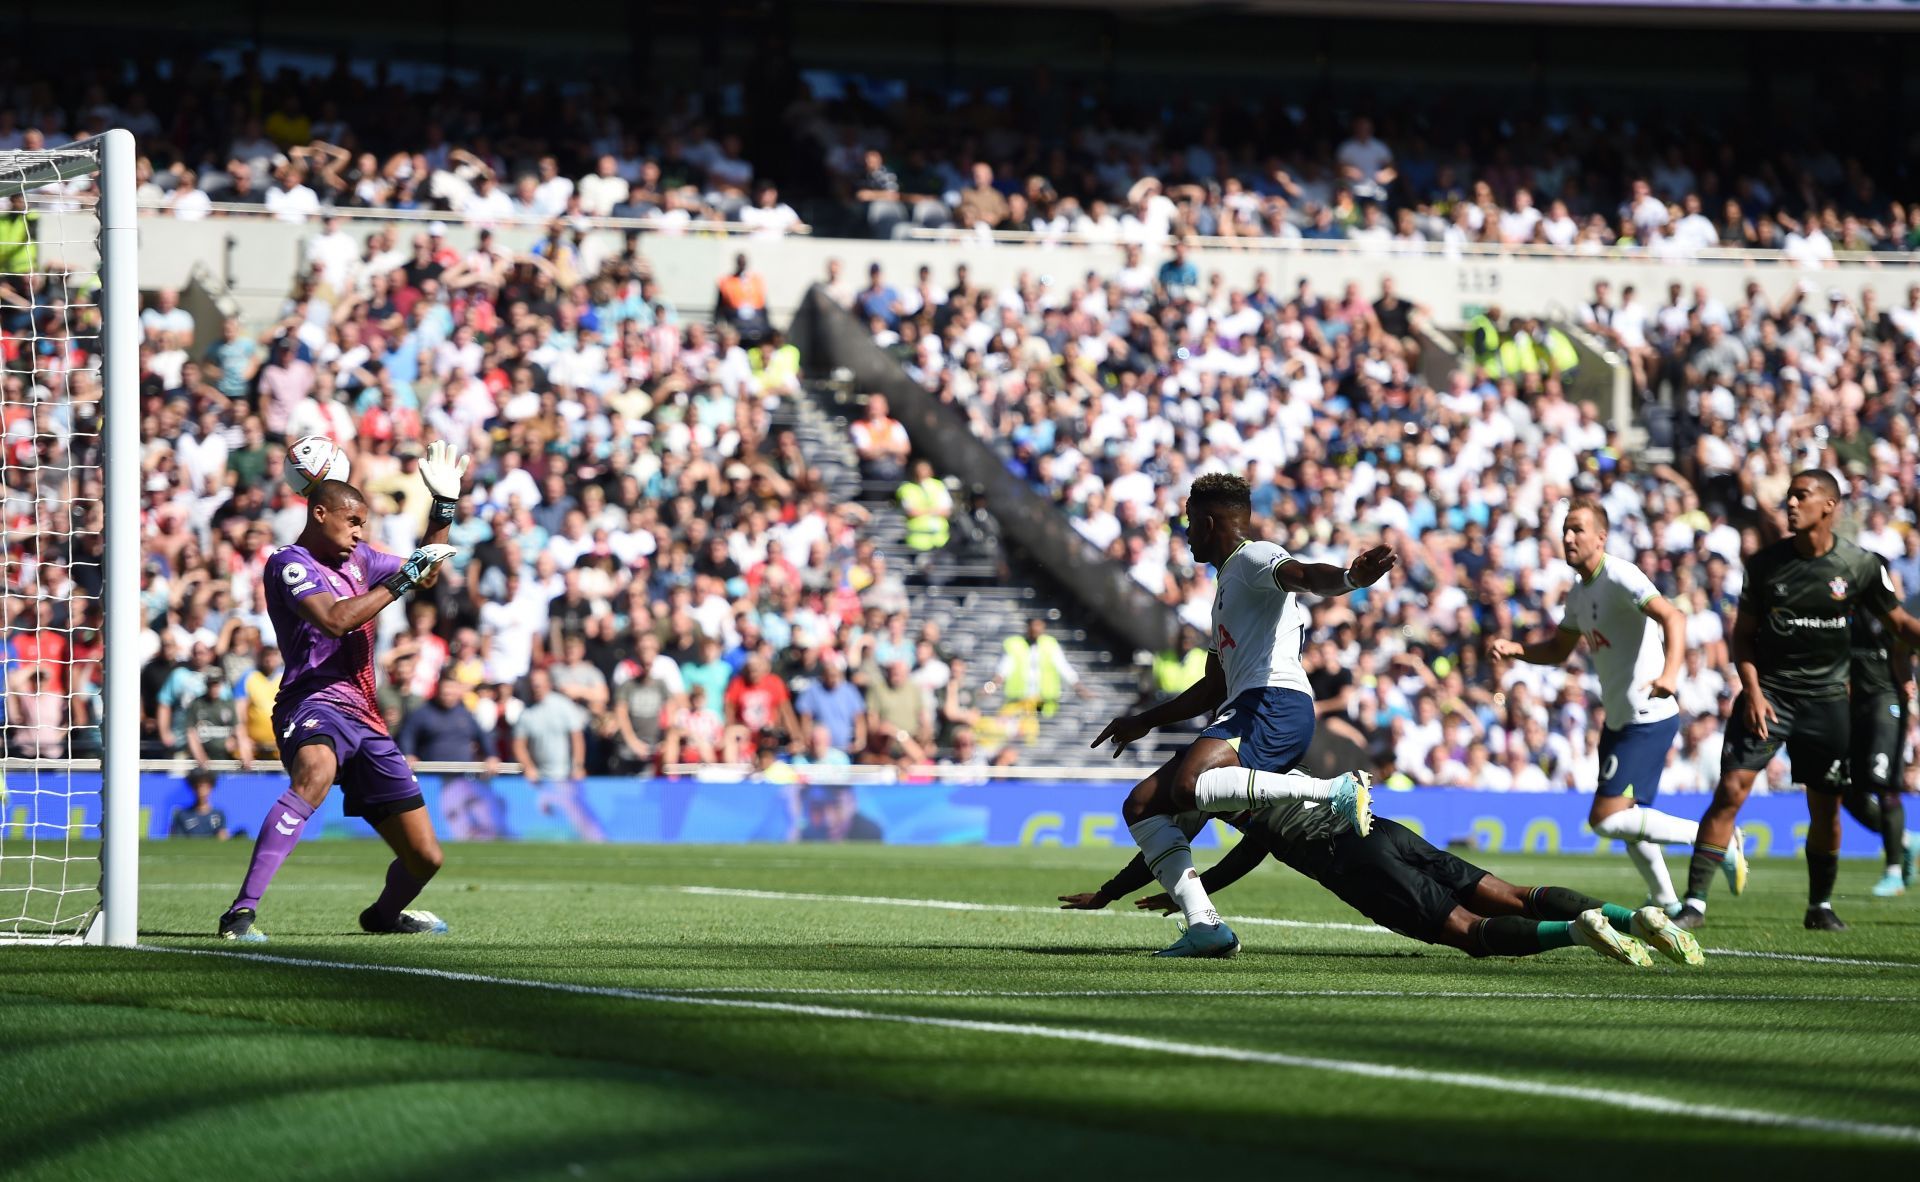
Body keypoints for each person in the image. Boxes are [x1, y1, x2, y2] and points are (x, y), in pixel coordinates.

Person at [1089, 471, 1392, 957]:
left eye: (1190, 522)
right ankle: (1204, 925)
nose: (1186, 533)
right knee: (1144, 804)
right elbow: (1213, 686)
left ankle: (1335, 789)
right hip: (1244, 707)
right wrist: (1146, 719)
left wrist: (1352, 578)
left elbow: (1306, 576)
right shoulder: (1226, 588)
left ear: (1209, 523)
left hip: (1272, 702)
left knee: (1189, 787)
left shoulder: (1253, 557)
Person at [216, 441, 468, 942]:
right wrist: (400, 582)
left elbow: (428, 569)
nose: (359, 533)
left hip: (367, 716)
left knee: (426, 857)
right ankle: (240, 914)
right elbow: (334, 620)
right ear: (319, 512)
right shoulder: (288, 563)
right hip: (311, 701)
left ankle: (381, 918)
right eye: (352, 522)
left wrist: (442, 509)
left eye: (364, 525)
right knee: (316, 773)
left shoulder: (365, 559)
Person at [1677, 470, 1920, 932]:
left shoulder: (1861, 565)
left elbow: (1901, 625)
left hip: (1829, 704)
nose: (1790, 503)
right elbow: (1742, 637)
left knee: (1826, 808)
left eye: (1801, 496)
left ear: (1829, 506)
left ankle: (1820, 906)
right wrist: (1752, 690)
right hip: (1769, 696)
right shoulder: (1765, 564)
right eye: (1789, 496)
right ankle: (1694, 904)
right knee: (1730, 791)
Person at [1060, 805, 1701, 969]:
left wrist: (1110, 894)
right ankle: (1632, 914)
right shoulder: (1266, 745)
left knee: (1470, 935)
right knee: (1513, 893)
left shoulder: (1205, 780)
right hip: (1384, 826)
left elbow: (1179, 841)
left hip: (1351, 860)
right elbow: (1253, 848)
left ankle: (1577, 930)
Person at [1488, 497, 1721, 914]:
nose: (1568, 537)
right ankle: (1668, 902)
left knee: (1606, 819)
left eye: (1577, 529)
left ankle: (1716, 837)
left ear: (1601, 536)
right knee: (1628, 818)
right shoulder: (1579, 594)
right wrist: (1517, 650)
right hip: (1619, 719)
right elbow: (1560, 650)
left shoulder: (1621, 575)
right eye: (1565, 530)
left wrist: (1670, 674)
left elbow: (1675, 618)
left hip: (1647, 715)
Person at [1841, 579, 1916, 897]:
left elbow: (1906, 649)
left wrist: (1909, 690)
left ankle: (1894, 872)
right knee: (1848, 793)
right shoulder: (1844, 616)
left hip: (1887, 704)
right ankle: (1903, 842)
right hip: (1854, 708)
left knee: (1884, 785)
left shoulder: (1894, 616)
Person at [512, 666, 606, 842]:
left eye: (539, 684)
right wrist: (529, 767)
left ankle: (597, 840)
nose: (536, 688)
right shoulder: (527, 712)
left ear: (548, 684)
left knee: (577, 818)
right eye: (533, 685)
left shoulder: (562, 706)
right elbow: (519, 744)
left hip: (564, 776)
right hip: (539, 781)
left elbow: (577, 737)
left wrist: (577, 766)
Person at [996, 616, 1084, 718]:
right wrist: (992, 686)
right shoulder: (1015, 644)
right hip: (1019, 702)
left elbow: (1063, 667)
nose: (1036, 630)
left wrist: (1078, 686)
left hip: (1043, 703)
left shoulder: (1050, 644)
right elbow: (1004, 669)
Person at [170, 769, 231, 839]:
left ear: (211, 788)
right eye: (197, 786)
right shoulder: (182, 815)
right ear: (192, 788)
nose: (201, 791)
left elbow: (223, 836)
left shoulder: (219, 814)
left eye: (205, 786)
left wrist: (223, 836)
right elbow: (176, 841)